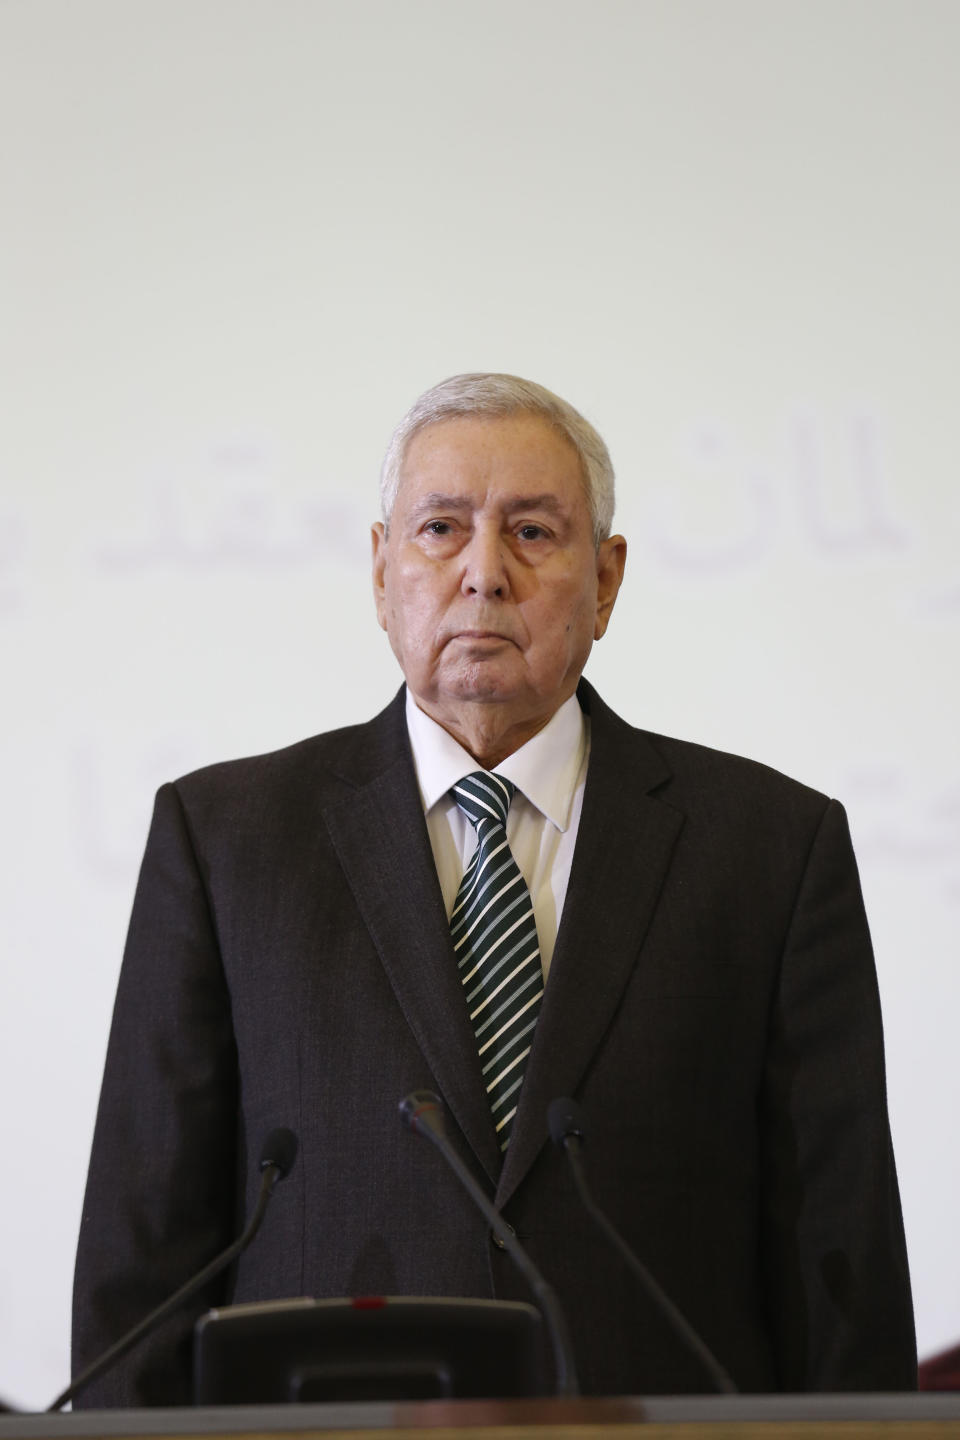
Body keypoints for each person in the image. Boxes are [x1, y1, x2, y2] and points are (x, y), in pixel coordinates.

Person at [72, 373, 916, 1405]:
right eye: (439, 529)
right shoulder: (226, 841)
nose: (483, 573)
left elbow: (844, 1281)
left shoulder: (773, 852)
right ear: (382, 572)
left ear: (605, 582)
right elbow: (141, 1272)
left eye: (531, 532)